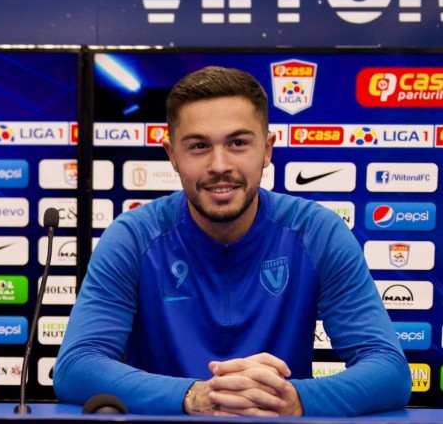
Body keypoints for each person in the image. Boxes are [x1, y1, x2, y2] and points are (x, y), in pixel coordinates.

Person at [54, 66, 411, 417]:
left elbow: (389, 370)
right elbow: (76, 366)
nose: (219, 165)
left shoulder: (318, 232)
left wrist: (293, 399)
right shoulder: (132, 237)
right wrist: (194, 396)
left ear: (267, 149)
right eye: (199, 146)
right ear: (172, 155)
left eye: (238, 143)